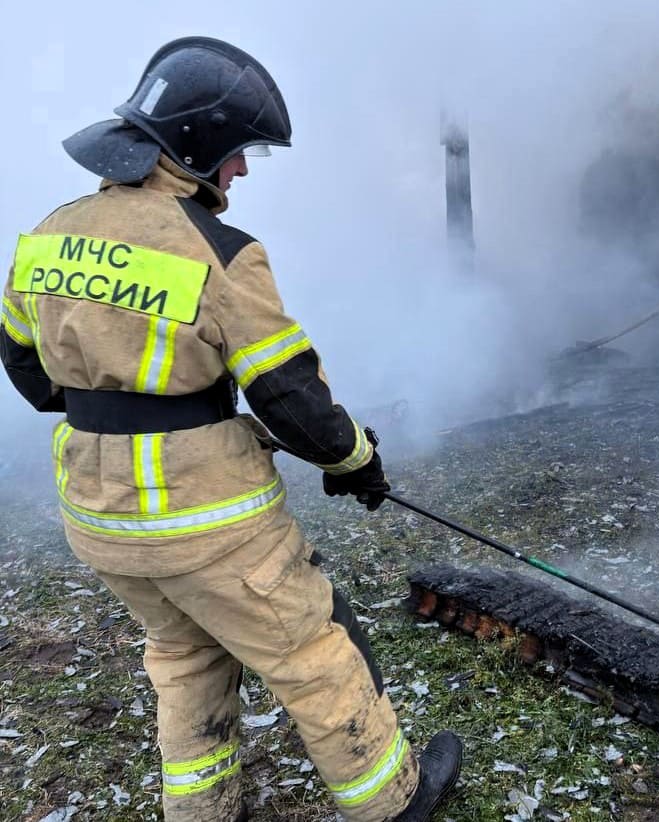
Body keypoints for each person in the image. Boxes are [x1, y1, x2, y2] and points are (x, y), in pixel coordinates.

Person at [0, 37, 461, 822]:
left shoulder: (47, 235)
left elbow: (25, 365)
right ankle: (395, 801)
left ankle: (204, 811)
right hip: (208, 523)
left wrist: (127, 412)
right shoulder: (219, 252)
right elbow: (289, 395)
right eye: (237, 151)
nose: (242, 169)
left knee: (185, 657)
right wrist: (356, 460)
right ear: (195, 147)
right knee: (312, 649)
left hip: (100, 518)